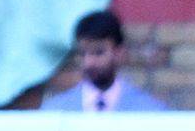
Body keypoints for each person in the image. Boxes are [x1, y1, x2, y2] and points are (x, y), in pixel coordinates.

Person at [40, 9, 169, 112]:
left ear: (120, 53)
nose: (89, 62)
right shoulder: (54, 112)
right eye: (82, 53)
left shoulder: (150, 112)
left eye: (98, 52)